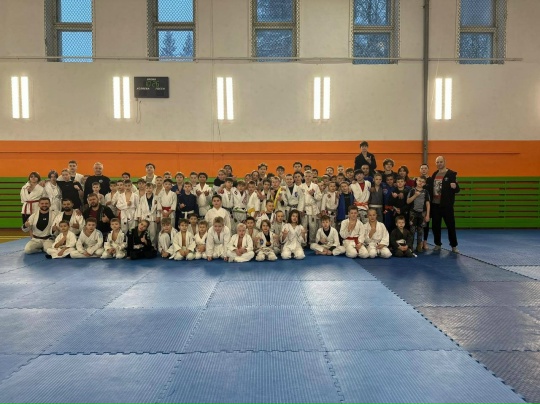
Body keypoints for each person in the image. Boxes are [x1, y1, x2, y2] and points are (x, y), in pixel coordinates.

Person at [431, 156, 460, 253]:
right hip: (435, 204)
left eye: (441, 162)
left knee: (450, 226)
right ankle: (437, 244)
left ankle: (454, 246)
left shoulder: (451, 174)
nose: (439, 164)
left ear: (444, 162)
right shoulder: (434, 174)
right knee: (435, 226)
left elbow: (457, 190)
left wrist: (455, 186)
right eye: (437, 162)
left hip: (447, 205)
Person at [407, 176, 431, 253]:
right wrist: (415, 195)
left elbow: (428, 204)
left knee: (420, 231)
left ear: (425, 183)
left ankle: (419, 246)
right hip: (413, 213)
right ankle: (410, 246)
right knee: (412, 230)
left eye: (423, 182)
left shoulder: (426, 192)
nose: (421, 183)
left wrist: (427, 215)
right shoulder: (412, 191)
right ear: (416, 181)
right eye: (419, 181)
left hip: (422, 213)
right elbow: (408, 201)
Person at [298, 170, 322, 244]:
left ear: (312, 177)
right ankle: (303, 242)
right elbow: (300, 199)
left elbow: (319, 197)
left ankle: (312, 242)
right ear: (303, 177)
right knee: (303, 226)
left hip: (312, 209)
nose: (307, 178)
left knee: (313, 227)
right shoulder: (300, 186)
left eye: (309, 176)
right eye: (306, 176)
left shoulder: (315, 186)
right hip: (304, 208)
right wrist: (301, 210)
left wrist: (313, 194)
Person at [136, 183, 159, 248]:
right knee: (144, 232)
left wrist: (158, 216)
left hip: (153, 217)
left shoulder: (156, 197)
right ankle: (144, 245)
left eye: (150, 188)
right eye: (147, 188)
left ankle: (153, 246)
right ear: (145, 189)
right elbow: (139, 208)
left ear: (153, 189)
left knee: (153, 233)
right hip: (144, 217)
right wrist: (139, 216)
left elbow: (159, 208)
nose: (148, 189)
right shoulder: (142, 198)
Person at [419, 163, 433, 250]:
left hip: (427, 205)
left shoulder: (431, 180)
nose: (423, 170)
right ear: (420, 170)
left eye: (425, 168)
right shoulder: (417, 180)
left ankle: (425, 242)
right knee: (419, 226)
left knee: (426, 225)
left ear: (428, 170)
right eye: (422, 168)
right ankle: (419, 242)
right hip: (418, 206)